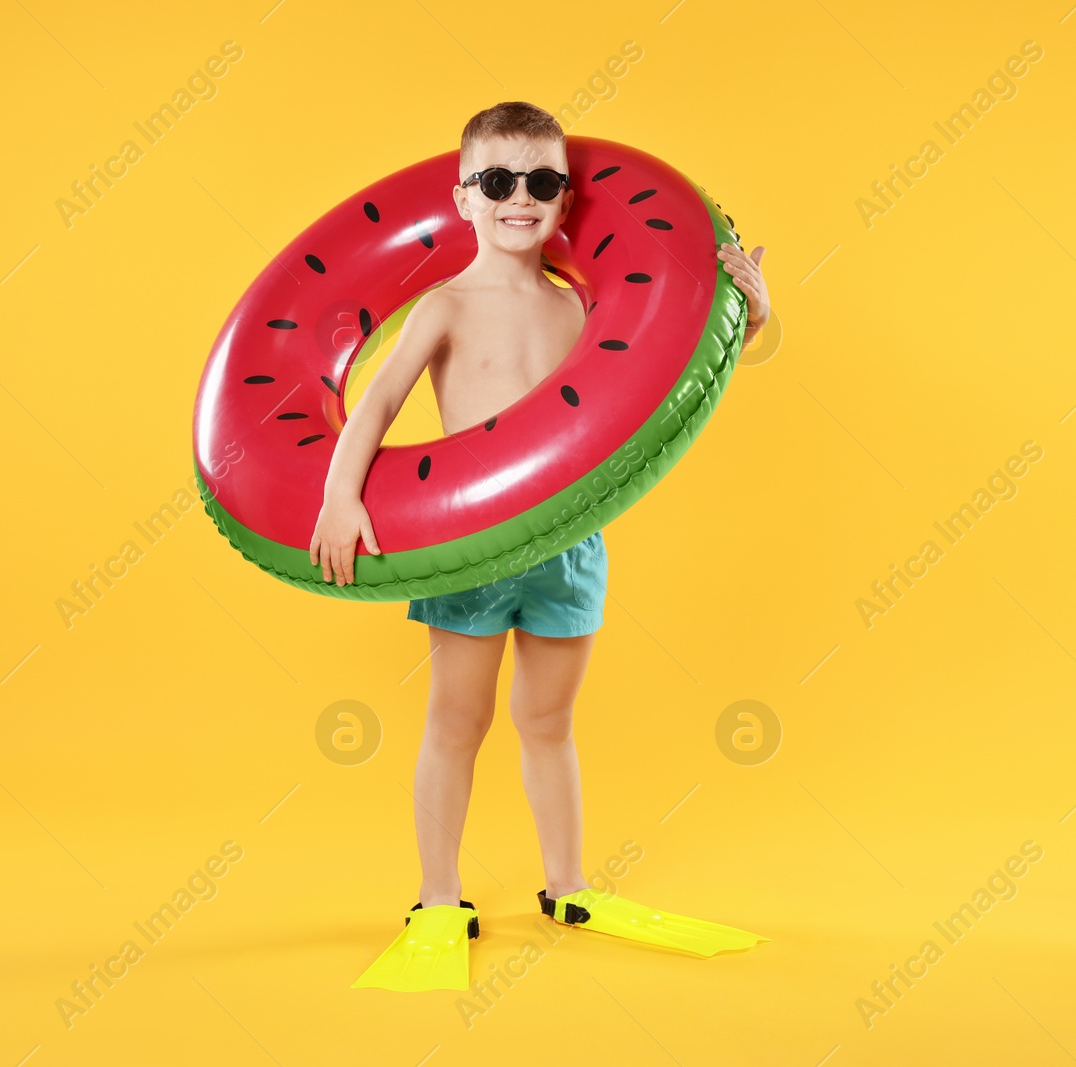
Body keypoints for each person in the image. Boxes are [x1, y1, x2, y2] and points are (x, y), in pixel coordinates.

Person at [311, 102, 772, 992]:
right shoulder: (442, 306)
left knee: (550, 724)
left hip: (571, 547)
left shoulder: (584, 311)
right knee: (457, 722)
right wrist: (339, 494)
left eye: (542, 182)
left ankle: (568, 885)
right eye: (497, 181)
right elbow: (374, 404)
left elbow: (667, 384)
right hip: (472, 549)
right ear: (464, 198)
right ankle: (438, 894)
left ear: (564, 199)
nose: (520, 198)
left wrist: (744, 319)